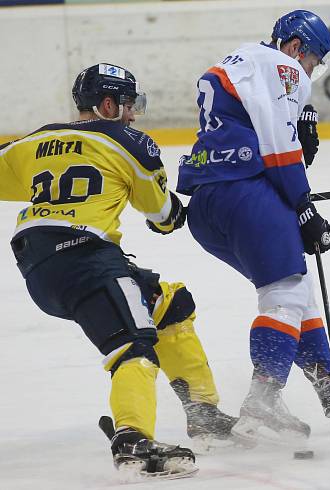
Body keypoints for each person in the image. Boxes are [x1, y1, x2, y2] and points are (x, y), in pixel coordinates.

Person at [0, 63, 236, 478]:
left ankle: (204, 413)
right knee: (134, 348)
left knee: (169, 303)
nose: (132, 114)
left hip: (38, 265)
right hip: (86, 257)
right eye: (128, 105)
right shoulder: (128, 141)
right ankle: (133, 440)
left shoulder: (33, 141)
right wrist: (174, 211)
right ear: (107, 104)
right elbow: (160, 215)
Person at [176, 9, 330, 444]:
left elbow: (263, 132)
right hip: (245, 194)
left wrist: (298, 142)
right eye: (313, 60)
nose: (310, 71)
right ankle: (263, 399)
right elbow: (281, 150)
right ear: (295, 46)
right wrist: (304, 208)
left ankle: (329, 388)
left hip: (208, 207)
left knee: (293, 287)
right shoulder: (284, 67)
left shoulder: (239, 61)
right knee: (284, 292)